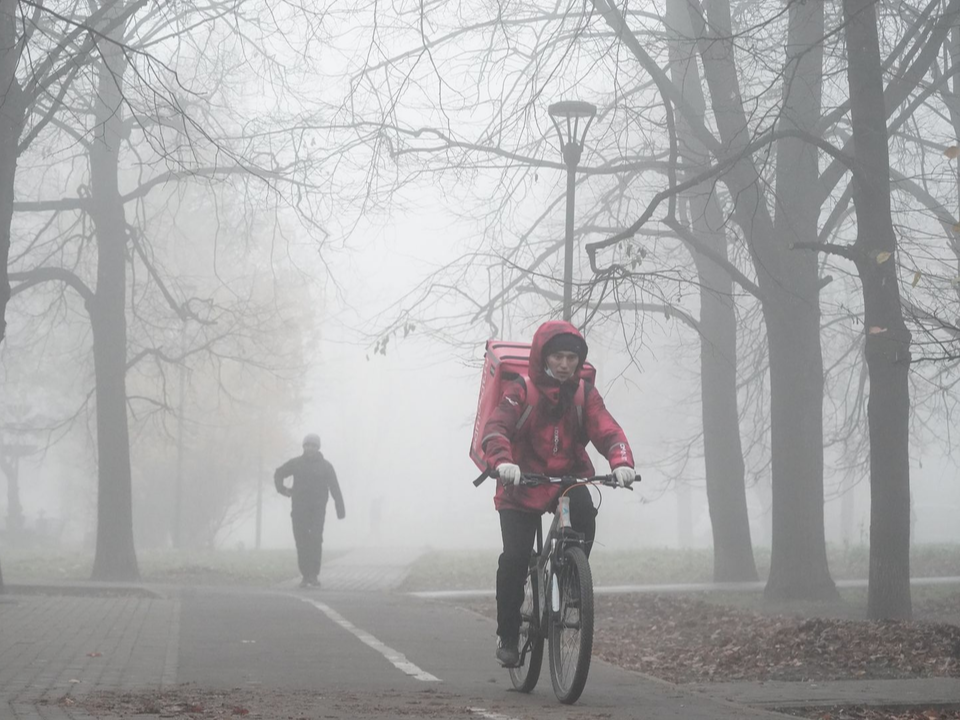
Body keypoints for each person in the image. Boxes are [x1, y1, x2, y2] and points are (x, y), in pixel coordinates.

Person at [481, 320, 635, 667]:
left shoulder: (583, 394)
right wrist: (503, 462)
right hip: (521, 481)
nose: (565, 364)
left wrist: (621, 460)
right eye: (557, 357)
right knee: (515, 559)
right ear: (543, 357)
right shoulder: (521, 390)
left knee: (585, 514)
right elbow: (496, 429)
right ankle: (507, 634)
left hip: (566, 477)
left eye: (571, 358)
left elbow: (607, 428)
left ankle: (571, 584)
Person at [274, 433, 345, 588]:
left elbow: (335, 488)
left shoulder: (326, 466)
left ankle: (313, 575)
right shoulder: (296, 464)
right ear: (303, 446)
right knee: (301, 542)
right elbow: (278, 473)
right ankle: (305, 575)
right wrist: (283, 490)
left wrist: (340, 509)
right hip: (299, 510)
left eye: (313, 445)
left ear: (318, 447)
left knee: (316, 540)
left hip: (317, 511)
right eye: (307, 445)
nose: (310, 448)